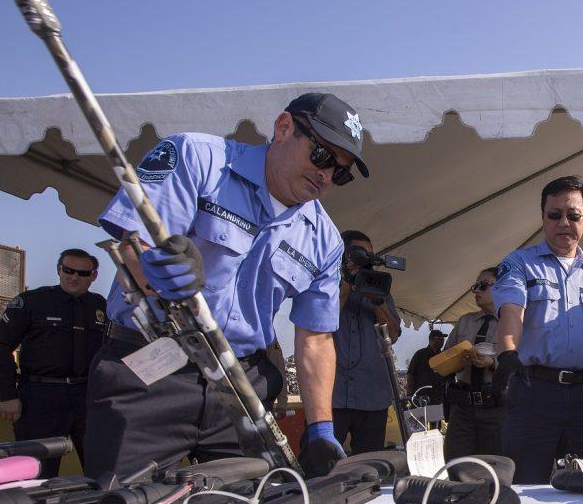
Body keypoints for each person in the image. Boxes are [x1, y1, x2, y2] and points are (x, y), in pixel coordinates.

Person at [85, 91, 370, 478]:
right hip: (151, 372)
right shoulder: (197, 159)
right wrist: (154, 268)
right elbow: (133, 245)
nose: (325, 174)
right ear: (284, 128)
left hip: (243, 387)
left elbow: (315, 339)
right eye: (321, 156)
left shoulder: (324, 240)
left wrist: (321, 429)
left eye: (340, 173)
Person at [492, 175, 583, 484]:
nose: (563, 223)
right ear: (543, 217)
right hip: (534, 392)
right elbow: (511, 311)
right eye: (554, 215)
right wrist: (507, 352)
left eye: (573, 215)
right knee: (526, 485)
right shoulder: (518, 264)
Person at [0, 249, 106, 478]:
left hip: (87, 396)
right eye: (68, 270)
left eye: (82, 273)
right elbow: (1, 346)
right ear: (58, 270)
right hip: (41, 397)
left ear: (94, 276)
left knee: (101, 469)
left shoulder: (102, 307)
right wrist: (6, 395)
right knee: (38, 471)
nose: (74, 277)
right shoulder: (32, 302)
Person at [332, 230, 403, 453]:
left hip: (372, 396)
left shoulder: (380, 291)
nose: (366, 259)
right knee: (319, 463)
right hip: (331, 396)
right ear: (344, 256)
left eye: (370, 254)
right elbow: (320, 324)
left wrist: (378, 301)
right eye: (359, 254)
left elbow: (393, 335)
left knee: (370, 467)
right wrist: (346, 286)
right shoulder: (327, 286)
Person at [442, 267, 505, 459]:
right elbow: (446, 358)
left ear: (501, 288)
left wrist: (492, 362)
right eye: (475, 286)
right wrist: (458, 359)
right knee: (456, 464)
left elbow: (522, 363)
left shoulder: (513, 324)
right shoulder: (465, 321)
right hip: (462, 408)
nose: (476, 291)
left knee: (495, 467)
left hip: (497, 408)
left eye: (483, 286)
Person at [406, 329, 447, 422]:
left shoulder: (443, 356)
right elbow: (410, 374)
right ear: (431, 340)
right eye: (439, 338)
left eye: (442, 339)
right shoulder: (420, 354)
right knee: (421, 422)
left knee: (436, 422)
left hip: (438, 396)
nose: (442, 341)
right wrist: (409, 394)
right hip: (421, 396)